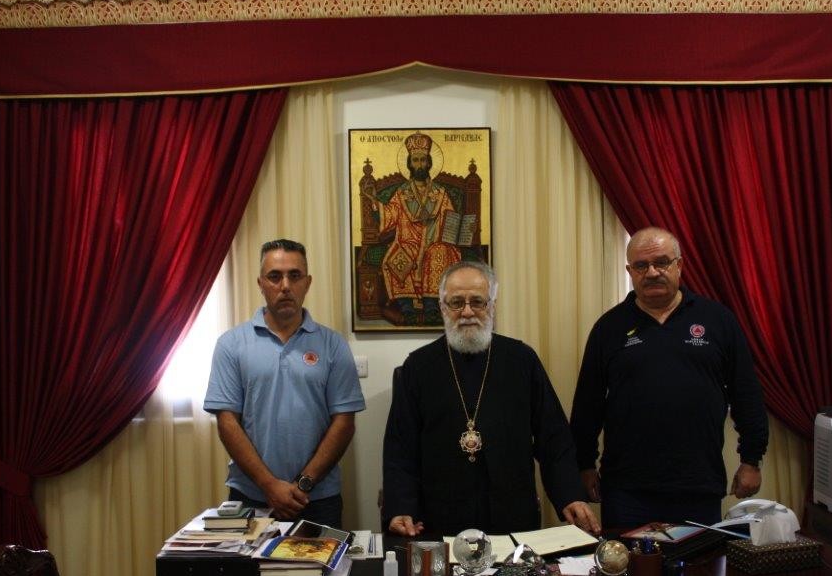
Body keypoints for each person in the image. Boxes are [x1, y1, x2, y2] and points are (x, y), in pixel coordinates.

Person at [383, 260, 601, 537]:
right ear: (442, 307)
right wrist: (401, 506)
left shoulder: (521, 360)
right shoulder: (418, 367)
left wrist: (570, 495)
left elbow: (554, 437)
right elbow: (400, 447)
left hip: (511, 512)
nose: (467, 312)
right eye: (456, 303)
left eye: (477, 302)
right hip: (441, 516)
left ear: (492, 306)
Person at [570, 227, 768, 529]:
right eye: (641, 265)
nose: (652, 272)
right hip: (627, 490)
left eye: (661, 262)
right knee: (627, 562)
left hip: (698, 486)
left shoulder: (718, 321)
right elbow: (588, 405)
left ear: (679, 265)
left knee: (700, 562)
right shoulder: (608, 328)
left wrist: (751, 460)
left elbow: (746, 395)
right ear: (630, 272)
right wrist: (584, 465)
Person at [204, 239, 365, 527]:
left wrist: (303, 484)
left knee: (325, 561)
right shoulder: (231, 345)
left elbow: (344, 422)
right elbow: (227, 422)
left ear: (308, 282)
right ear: (260, 283)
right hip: (251, 497)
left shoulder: (333, 345)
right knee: (247, 562)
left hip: (317, 499)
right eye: (275, 276)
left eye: (295, 275)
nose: (285, 286)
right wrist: (269, 485)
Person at [362, 131, 462, 326]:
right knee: (399, 256)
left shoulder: (440, 193)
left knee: (439, 253)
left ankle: (432, 307)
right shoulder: (402, 193)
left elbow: (451, 220)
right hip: (408, 242)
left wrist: (461, 229)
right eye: (415, 160)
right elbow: (390, 214)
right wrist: (374, 201)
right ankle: (407, 307)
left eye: (423, 160)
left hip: (435, 242)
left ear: (429, 163)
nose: (419, 164)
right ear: (409, 164)